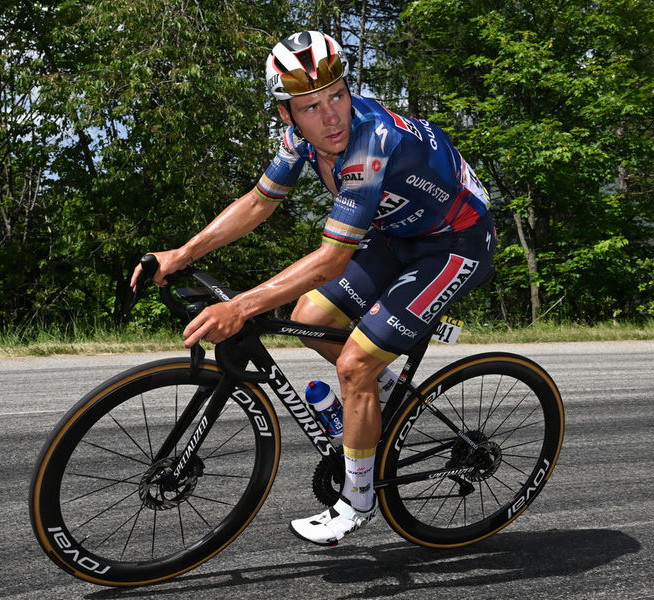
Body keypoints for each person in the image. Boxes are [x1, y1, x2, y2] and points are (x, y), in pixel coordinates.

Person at [131, 30, 495, 546]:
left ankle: (358, 500)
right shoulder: (300, 140)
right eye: (311, 107)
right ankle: (385, 397)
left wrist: (241, 306)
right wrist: (181, 254)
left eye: (338, 97)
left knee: (353, 366)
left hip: (455, 243)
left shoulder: (371, 145)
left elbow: (330, 259)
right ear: (287, 115)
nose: (331, 117)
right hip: (398, 235)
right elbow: (259, 203)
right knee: (310, 318)